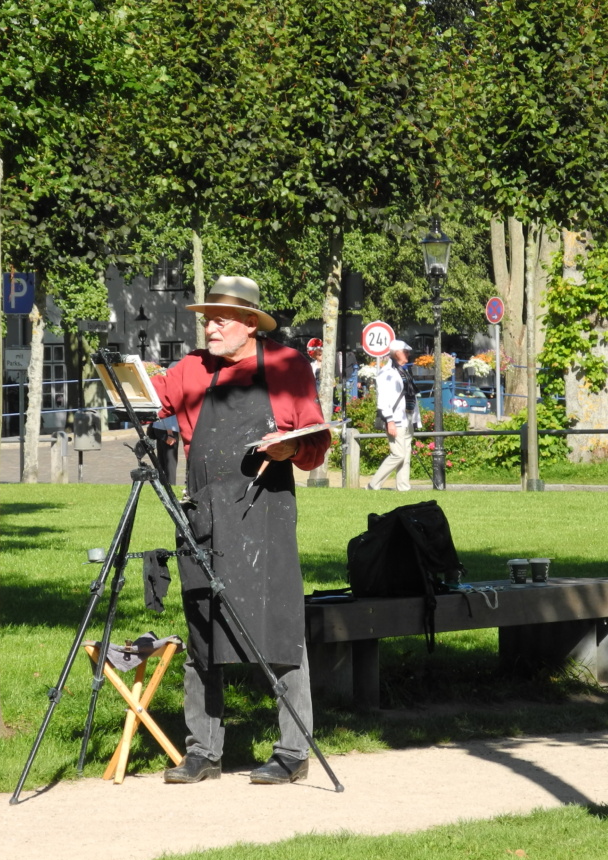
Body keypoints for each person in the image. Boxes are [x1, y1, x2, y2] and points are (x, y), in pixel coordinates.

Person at [149, 275, 330, 786]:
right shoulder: (189, 370)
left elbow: (315, 438)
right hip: (202, 515)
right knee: (203, 630)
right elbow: (150, 405)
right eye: (206, 319)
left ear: (250, 324)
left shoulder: (286, 366)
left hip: (264, 513)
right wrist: (128, 384)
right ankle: (203, 752)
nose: (209, 327)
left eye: (219, 319)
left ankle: (293, 752)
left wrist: (289, 449)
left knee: (280, 628)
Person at [367, 339, 418, 492]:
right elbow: (383, 399)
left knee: (406, 454)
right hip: (395, 419)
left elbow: (410, 396)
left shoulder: (403, 371)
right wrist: (390, 421)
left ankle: (403, 487)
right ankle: (373, 484)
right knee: (398, 454)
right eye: (405, 351)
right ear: (397, 353)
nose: (408, 354)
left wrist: (415, 419)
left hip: (407, 417)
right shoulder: (386, 373)